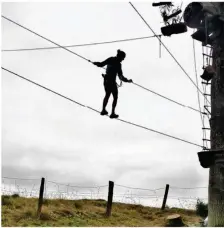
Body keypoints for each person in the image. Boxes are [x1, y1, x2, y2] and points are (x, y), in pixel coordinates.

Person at [93, 49, 133, 119]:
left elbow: (101, 64)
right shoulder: (118, 64)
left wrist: (95, 63)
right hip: (111, 81)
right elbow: (121, 77)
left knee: (107, 95)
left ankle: (103, 110)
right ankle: (112, 113)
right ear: (120, 57)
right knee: (115, 96)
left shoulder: (111, 59)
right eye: (123, 58)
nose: (123, 60)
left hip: (106, 80)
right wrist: (127, 80)